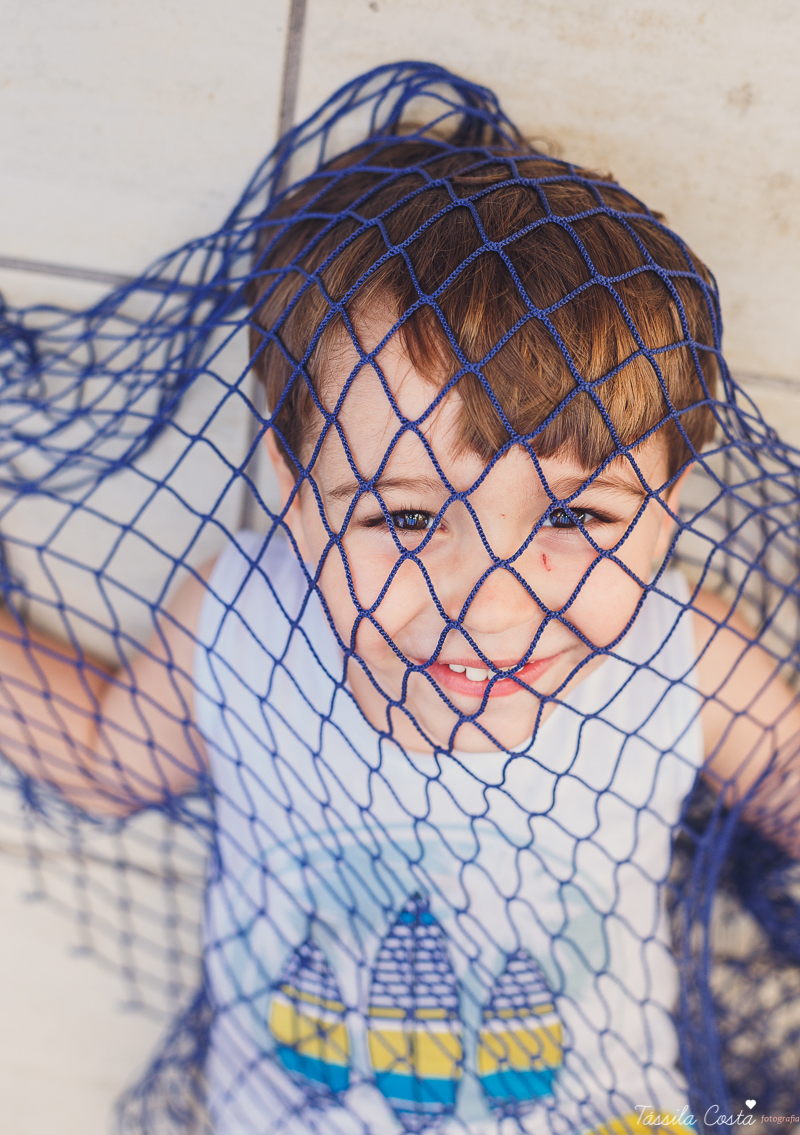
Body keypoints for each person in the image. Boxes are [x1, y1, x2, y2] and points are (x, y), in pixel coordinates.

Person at [1, 73, 798, 1134]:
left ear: (668, 508)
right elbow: (104, 757)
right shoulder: (245, 618)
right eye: (407, 521)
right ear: (294, 497)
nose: (488, 609)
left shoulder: (681, 652)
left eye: (577, 519)